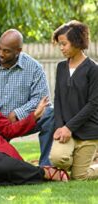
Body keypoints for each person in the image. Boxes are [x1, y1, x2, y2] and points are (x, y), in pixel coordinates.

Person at [0, 29, 54, 166]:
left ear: (18, 50)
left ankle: (46, 166)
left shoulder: (34, 68)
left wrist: (17, 114)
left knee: (50, 114)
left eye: (6, 51)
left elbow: (41, 99)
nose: (1, 54)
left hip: (23, 121)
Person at [49, 21, 98, 180]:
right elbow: (58, 99)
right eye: (59, 44)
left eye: (64, 44)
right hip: (65, 131)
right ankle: (84, 159)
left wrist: (69, 127)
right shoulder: (61, 68)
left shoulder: (93, 69)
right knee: (57, 158)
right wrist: (59, 127)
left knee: (79, 177)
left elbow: (93, 104)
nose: (61, 48)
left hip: (89, 131)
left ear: (77, 42)